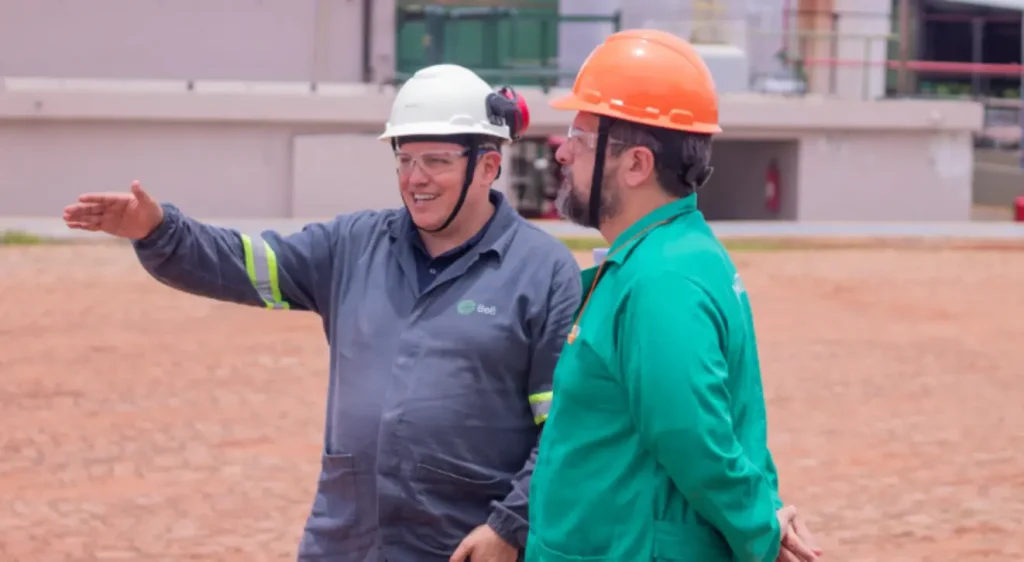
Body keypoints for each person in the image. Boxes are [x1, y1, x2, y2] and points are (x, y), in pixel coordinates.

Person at [63, 64, 582, 562]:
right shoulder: (353, 246)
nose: (415, 179)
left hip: (461, 545)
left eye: (437, 161)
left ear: (487, 165)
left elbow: (564, 424)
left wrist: (509, 526)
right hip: (346, 542)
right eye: (404, 159)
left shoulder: (542, 271)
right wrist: (159, 231)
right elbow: (247, 263)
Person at [525, 30, 824, 562]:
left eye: (581, 135)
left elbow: (695, 437)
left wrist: (761, 528)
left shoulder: (662, 279)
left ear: (637, 164)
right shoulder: (664, 257)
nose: (563, 152)